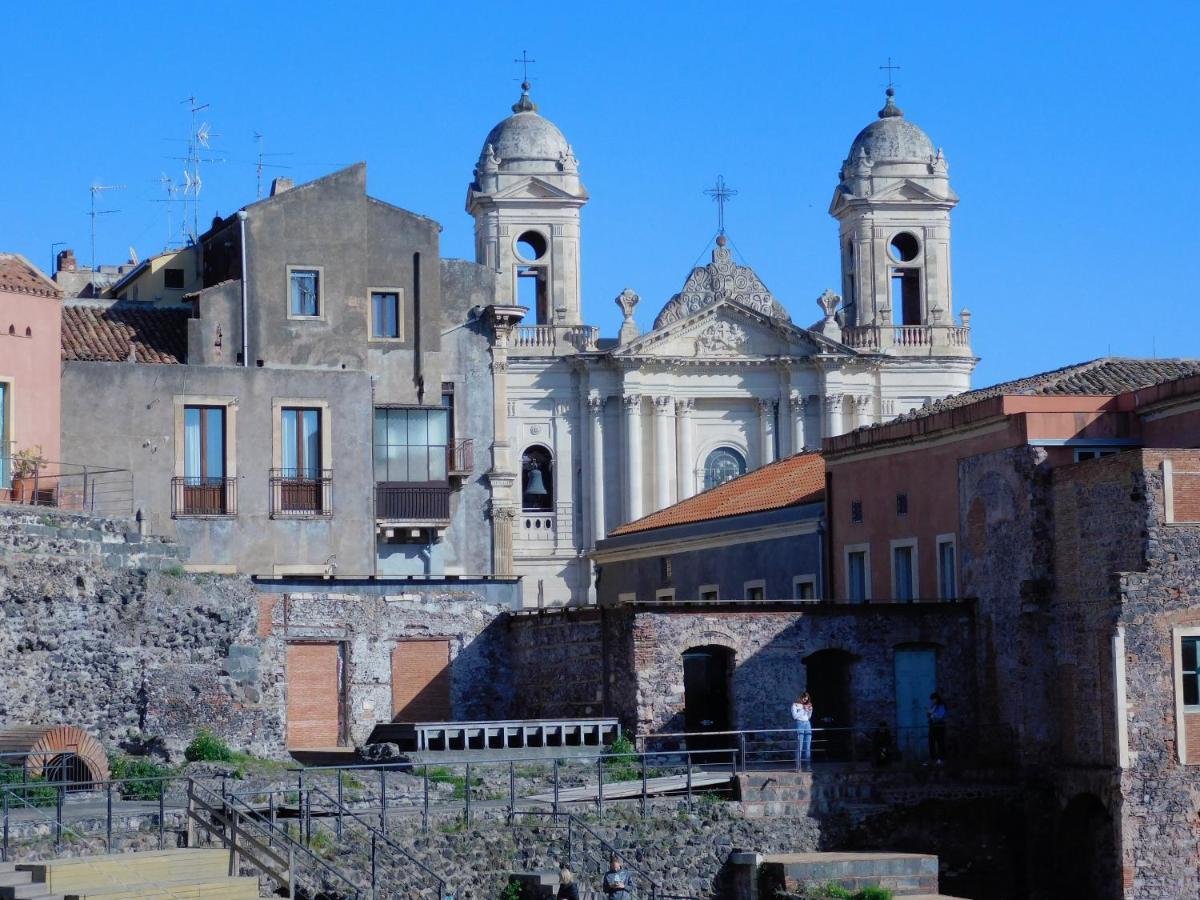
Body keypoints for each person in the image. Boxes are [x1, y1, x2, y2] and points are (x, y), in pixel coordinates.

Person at [791, 692, 814, 771]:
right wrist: (803, 709)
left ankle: (808, 766)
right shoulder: (795, 705)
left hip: (807, 724)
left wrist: (810, 710)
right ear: (801, 697)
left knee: (807, 746)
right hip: (799, 723)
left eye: (807, 699)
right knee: (799, 746)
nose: (805, 701)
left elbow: (808, 717)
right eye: (804, 699)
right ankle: (798, 767)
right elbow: (794, 716)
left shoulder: (807, 704)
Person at [927, 692, 947, 765]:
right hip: (932, 727)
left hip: (939, 727)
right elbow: (929, 715)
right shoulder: (932, 706)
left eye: (933, 699)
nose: (932, 701)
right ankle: (933, 759)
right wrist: (929, 715)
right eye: (932, 699)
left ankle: (941, 759)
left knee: (940, 743)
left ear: (937, 699)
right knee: (931, 743)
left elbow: (940, 716)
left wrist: (932, 715)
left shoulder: (941, 706)